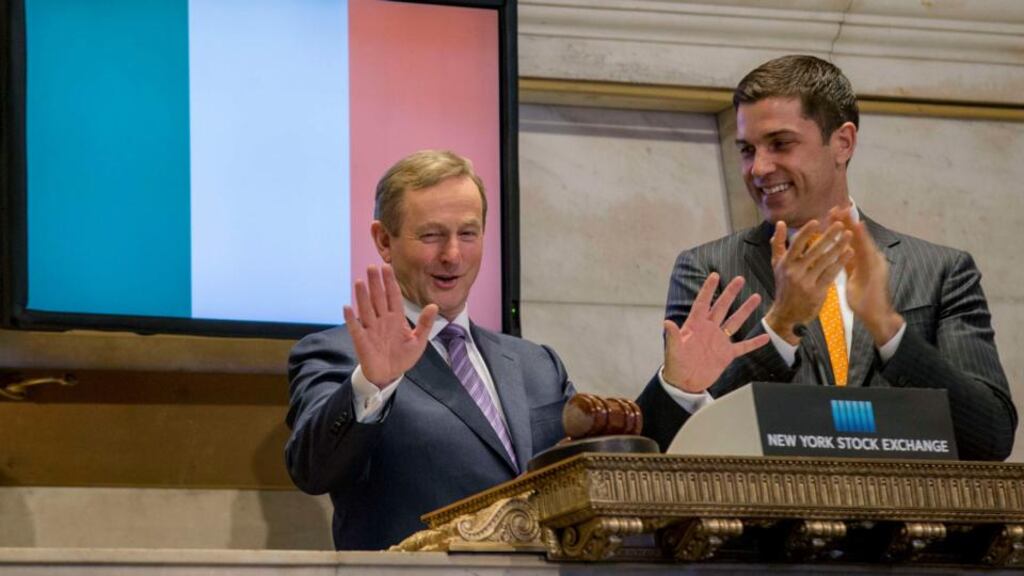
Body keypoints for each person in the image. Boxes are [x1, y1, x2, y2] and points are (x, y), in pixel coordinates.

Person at [284, 150, 769, 550]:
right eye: (431, 235)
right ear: (383, 241)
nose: (452, 255)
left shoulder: (536, 363)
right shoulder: (338, 355)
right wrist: (376, 384)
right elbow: (312, 469)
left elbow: (595, 476)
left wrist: (677, 390)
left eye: (468, 233)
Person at [646, 55, 1016, 461]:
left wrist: (889, 329)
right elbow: (667, 445)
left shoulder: (942, 271)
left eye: (780, 144)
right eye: (748, 150)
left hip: (907, 521)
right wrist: (779, 327)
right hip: (772, 520)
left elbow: (992, 437)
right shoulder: (710, 270)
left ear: (842, 142)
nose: (759, 168)